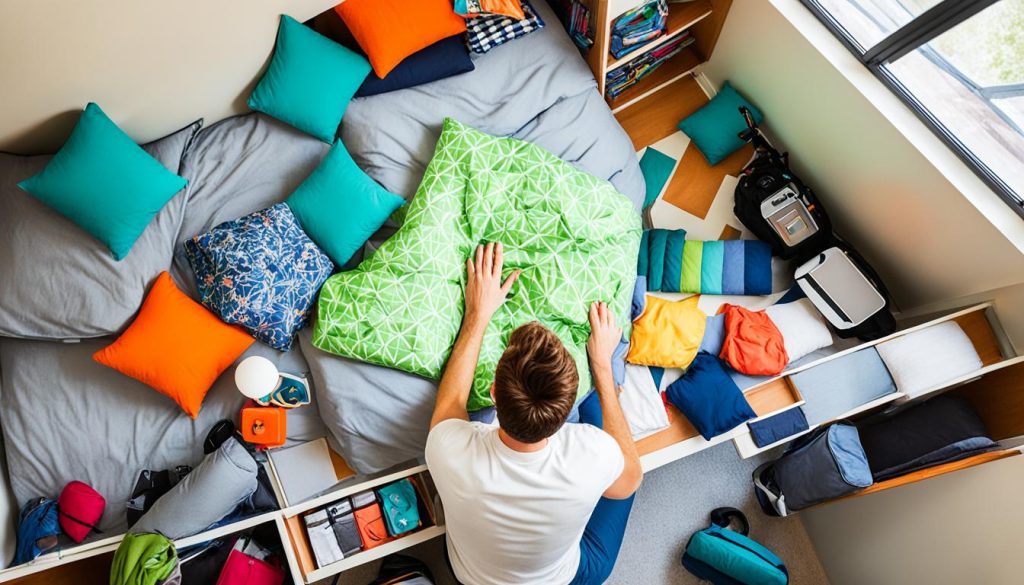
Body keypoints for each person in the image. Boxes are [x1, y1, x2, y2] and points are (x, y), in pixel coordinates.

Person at [425, 243, 643, 585]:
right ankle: (605, 371)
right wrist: (601, 365)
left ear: (494, 394)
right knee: (623, 474)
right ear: (564, 416)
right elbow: (630, 480)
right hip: (565, 577)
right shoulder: (589, 452)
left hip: (470, 576)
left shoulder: (448, 449)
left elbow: (452, 399)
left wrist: (477, 315)